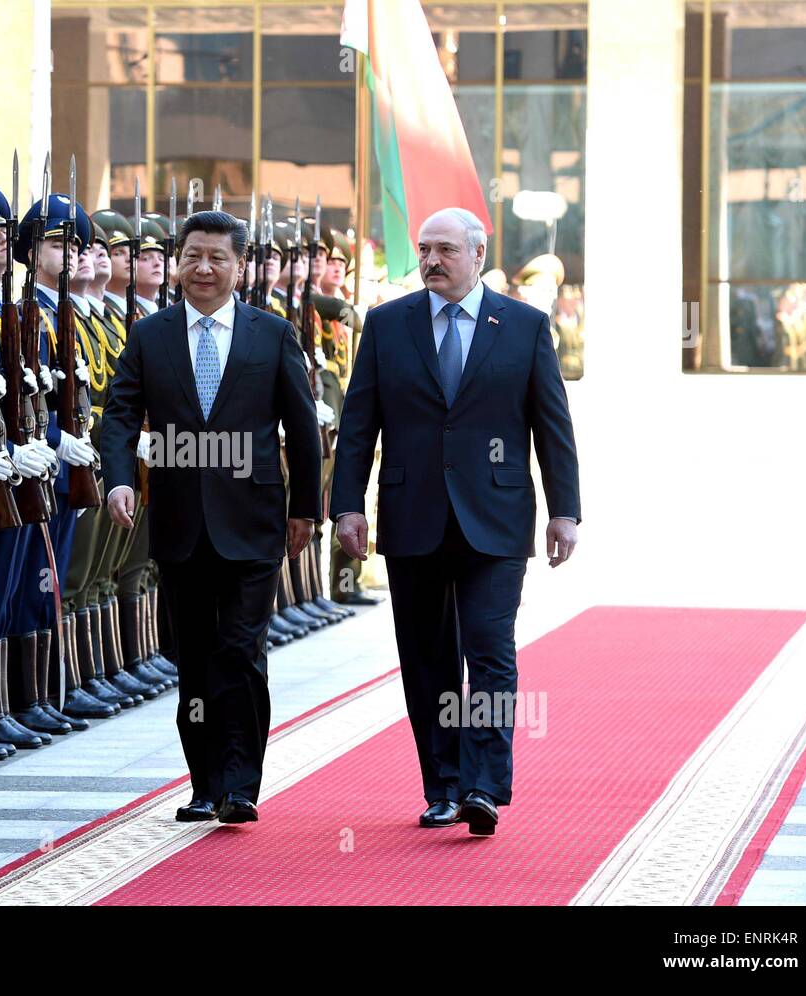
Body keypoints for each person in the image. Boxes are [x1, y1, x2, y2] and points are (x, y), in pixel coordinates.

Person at [331, 207, 581, 837]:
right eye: (424, 249)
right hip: (413, 515)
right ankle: (442, 785)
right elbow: (359, 424)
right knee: (427, 659)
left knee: (491, 653)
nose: (432, 261)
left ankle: (484, 786)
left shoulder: (523, 326)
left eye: (445, 249)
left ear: (477, 252)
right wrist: (349, 506)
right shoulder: (388, 326)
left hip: (495, 520)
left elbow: (553, 425)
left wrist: (565, 511)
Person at [100, 209, 321, 824]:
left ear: (239, 266)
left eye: (217, 258)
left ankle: (239, 783)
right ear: (179, 261)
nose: (203, 268)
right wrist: (119, 480)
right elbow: (119, 414)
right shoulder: (150, 335)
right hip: (178, 521)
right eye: (193, 255)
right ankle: (202, 782)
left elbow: (302, 428)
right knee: (192, 654)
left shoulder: (271, 334)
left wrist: (307, 509)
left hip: (252, 521)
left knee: (241, 648)